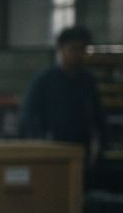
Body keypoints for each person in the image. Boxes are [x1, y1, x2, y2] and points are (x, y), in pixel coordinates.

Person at [19, 26, 106, 170]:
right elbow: (28, 116)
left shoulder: (88, 81)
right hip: (52, 152)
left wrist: (101, 146)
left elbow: (98, 117)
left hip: (81, 151)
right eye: (74, 48)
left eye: (83, 49)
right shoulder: (44, 80)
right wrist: (40, 144)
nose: (78, 54)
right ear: (60, 48)